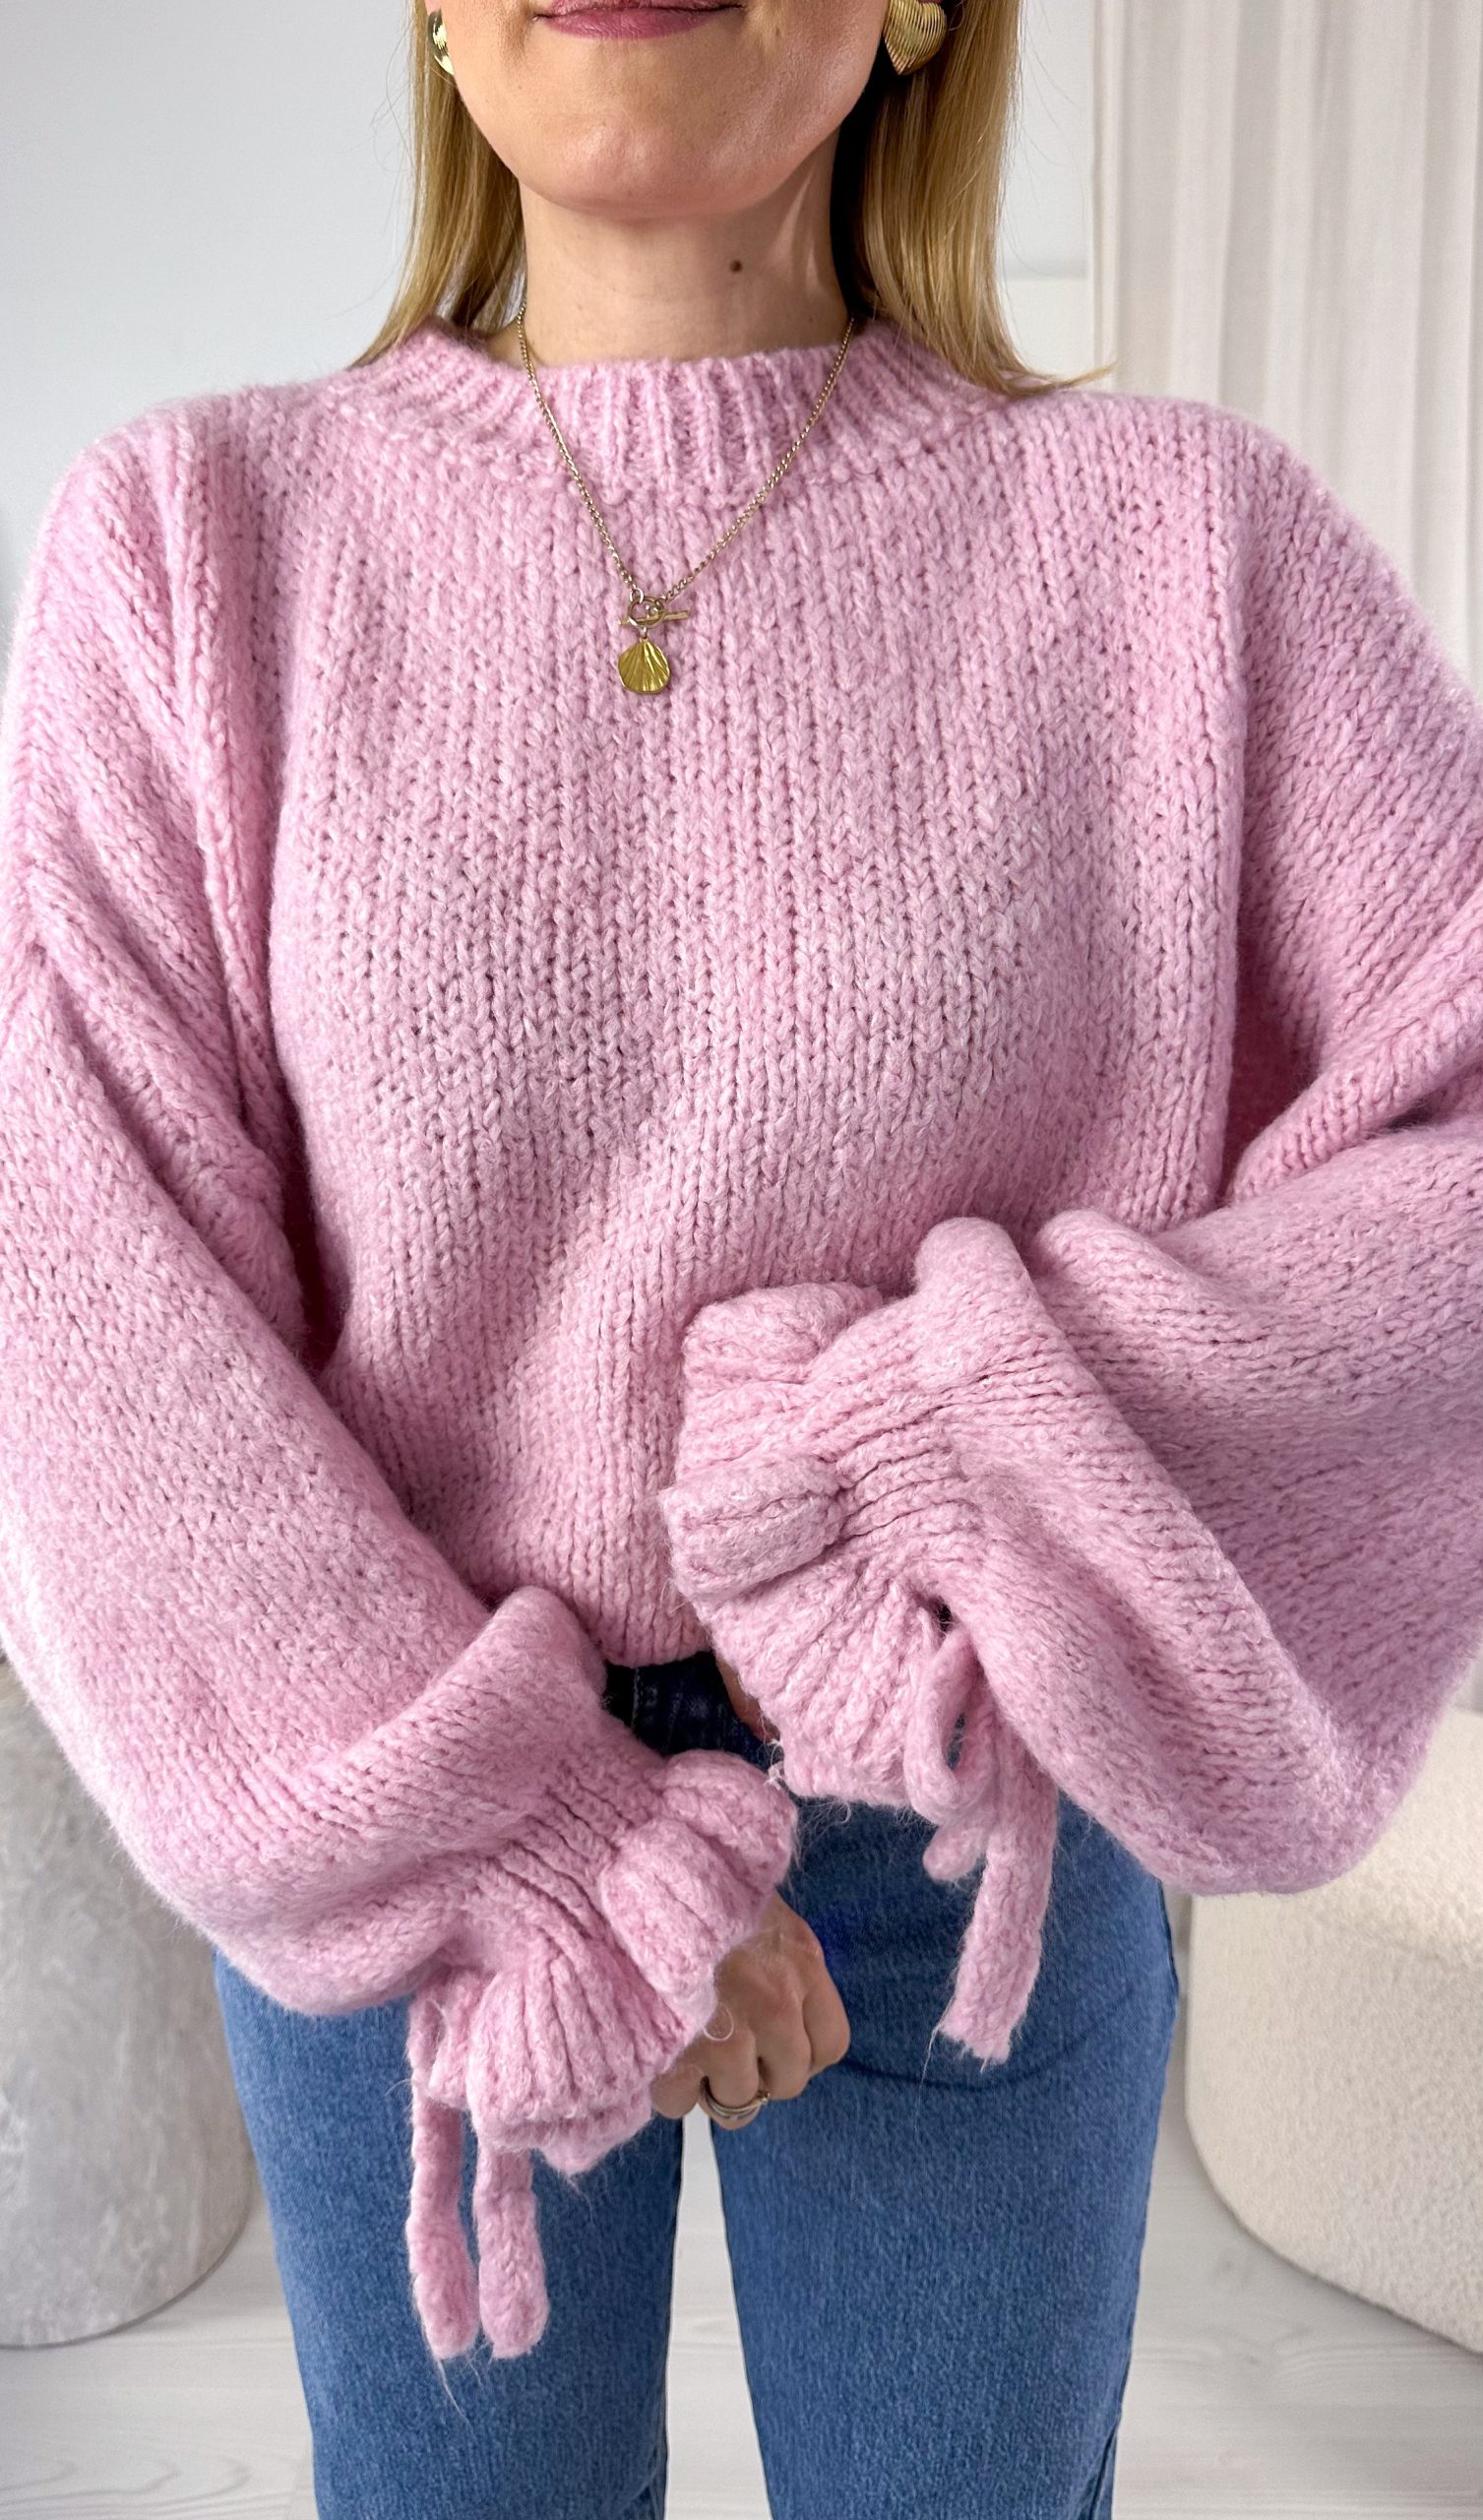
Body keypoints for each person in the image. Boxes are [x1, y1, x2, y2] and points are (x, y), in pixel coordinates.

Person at [2, 0, 1480, 2512]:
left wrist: (902, 1453)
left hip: (969, 1803)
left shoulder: (1184, 551)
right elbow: (77, 1299)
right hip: (410, 1811)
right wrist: (551, 1860)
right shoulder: (190, 547)